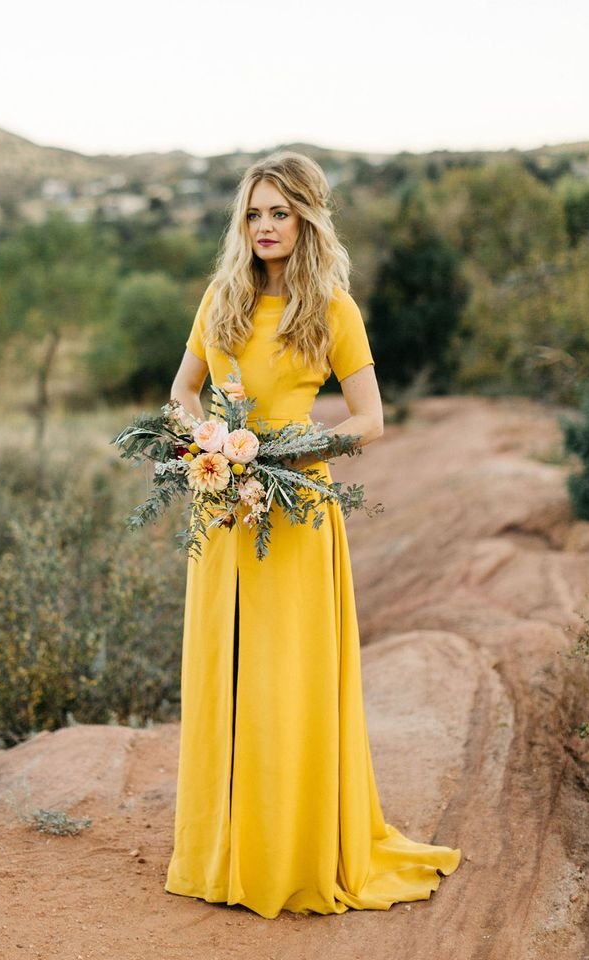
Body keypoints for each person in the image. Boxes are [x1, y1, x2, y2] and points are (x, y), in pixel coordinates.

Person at [165, 151, 461, 919]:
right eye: (255, 213)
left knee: (282, 681)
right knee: (224, 673)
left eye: (281, 213)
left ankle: (290, 850)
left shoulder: (332, 309)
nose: (266, 226)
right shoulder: (220, 297)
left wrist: (294, 450)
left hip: (295, 511)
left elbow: (372, 418)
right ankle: (222, 849)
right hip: (224, 507)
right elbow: (182, 391)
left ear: (307, 220)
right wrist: (210, 444)